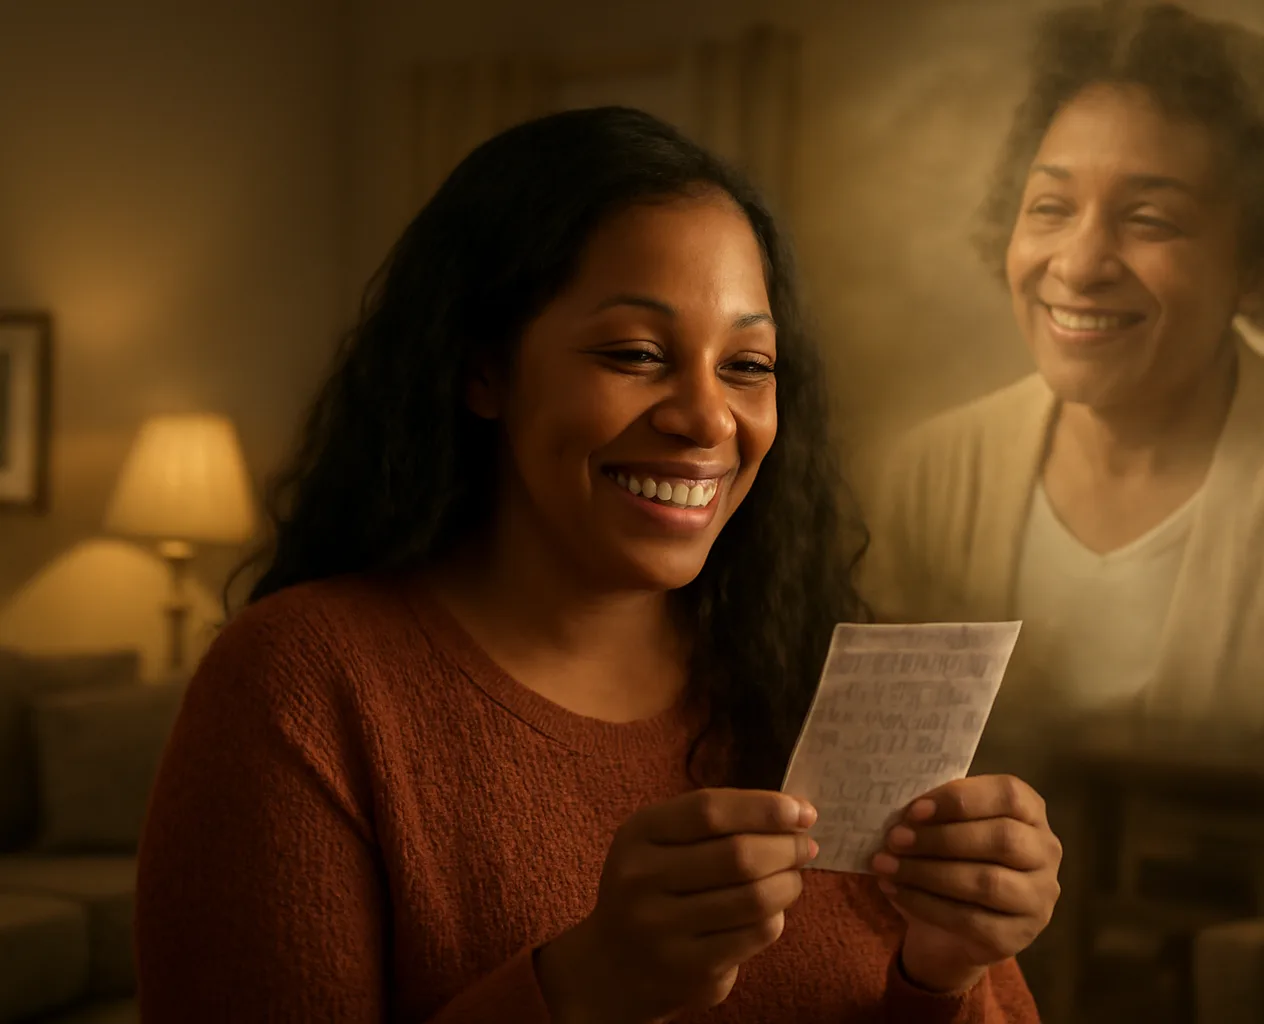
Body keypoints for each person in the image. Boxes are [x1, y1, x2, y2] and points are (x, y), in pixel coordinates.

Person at [133, 106, 1060, 1022]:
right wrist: (588, 987)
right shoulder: (303, 687)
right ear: (484, 370)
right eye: (636, 354)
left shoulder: (813, 685)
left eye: (747, 366)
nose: (708, 418)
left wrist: (946, 975)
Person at [860, 1, 1264, 778]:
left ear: (1258, 263)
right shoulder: (932, 477)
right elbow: (876, 785)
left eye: (1151, 220)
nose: (1080, 264)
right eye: (1051, 208)